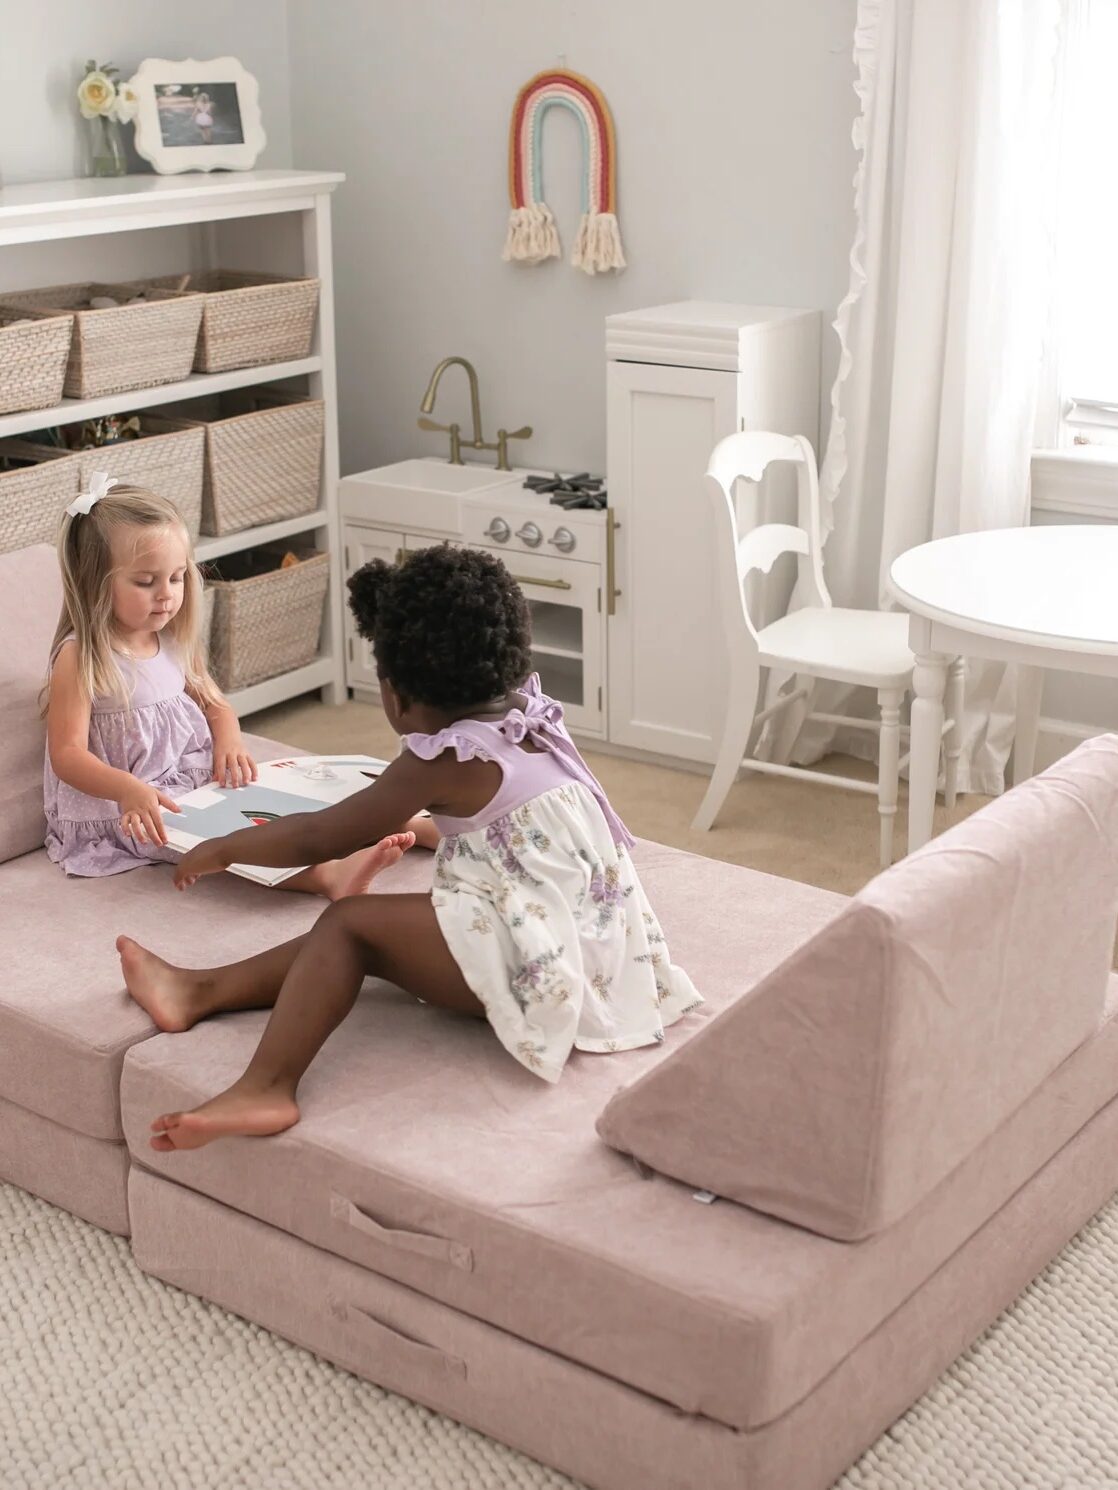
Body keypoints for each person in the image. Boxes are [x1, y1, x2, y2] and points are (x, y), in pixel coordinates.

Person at [117, 543, 702, 1151]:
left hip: (543, 974)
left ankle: (268, 1085)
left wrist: (226, 845)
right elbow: (508, 825)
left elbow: (324, 834)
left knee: (349, 925)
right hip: (594, 953)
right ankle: (197, 991)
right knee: (371, 936)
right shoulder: (531, 717)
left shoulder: (440, 760)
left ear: (395, 694)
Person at [43, 474, 425, 894]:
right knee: (227, 840)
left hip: (192, 780)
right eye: (145, 582)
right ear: (93, 582)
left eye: (176, 578)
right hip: (129, 805)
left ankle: (410, 825)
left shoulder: (170, 638)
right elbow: (67, 754)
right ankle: (327, 876)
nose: (167, 595)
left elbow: (215, 704)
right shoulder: (81, 656)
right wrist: (127, 789)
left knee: (284, 802)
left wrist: (229, 740)